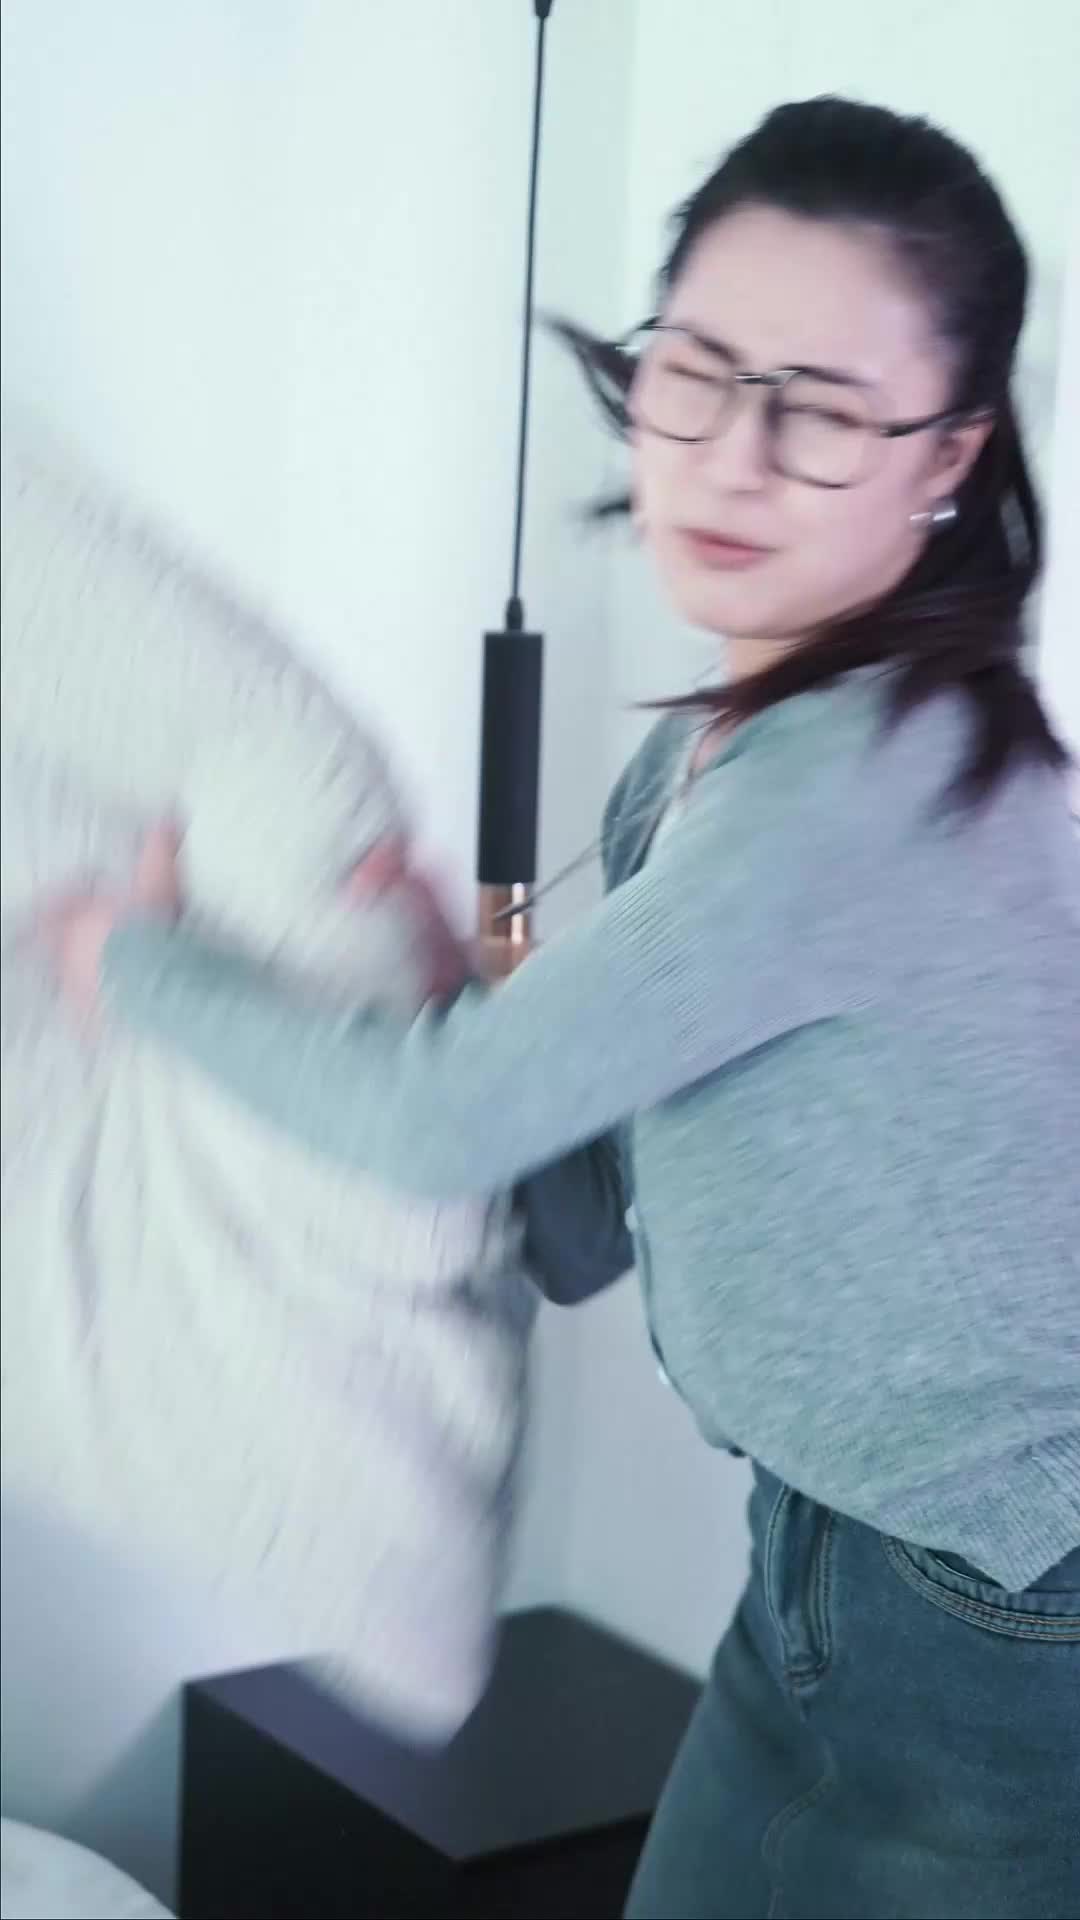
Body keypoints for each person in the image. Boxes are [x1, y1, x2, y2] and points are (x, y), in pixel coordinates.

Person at [44, 98, 1079, 1919]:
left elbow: (441, 1127)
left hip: (994, 1610)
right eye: (700, 373)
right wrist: (453, 993)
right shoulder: (699, 771)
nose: (733, 458)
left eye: (823, 410)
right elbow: (584, 1221)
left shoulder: (854, 792)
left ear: (951, 453)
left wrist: (128, 965)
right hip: (833, 1555)